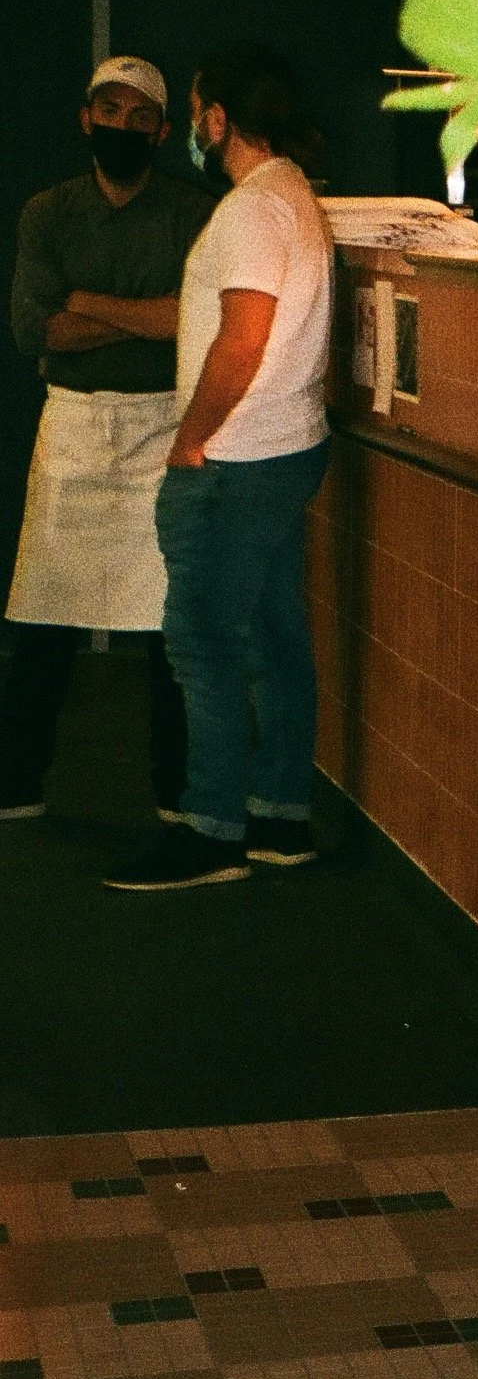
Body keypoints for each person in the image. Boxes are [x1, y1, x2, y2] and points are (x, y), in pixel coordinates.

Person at [104, 44, 335, 894]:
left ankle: (210, 831)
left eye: (199, 110)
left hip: (234, 459)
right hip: (286, 450)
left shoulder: (248, 210)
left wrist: (189, 439)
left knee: (200, 647)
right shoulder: (293, 195)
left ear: (215, 119)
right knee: (276, 643)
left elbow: (242, 338)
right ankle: (279, 818)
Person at [0, 58, 212, 822]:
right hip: (74, 425)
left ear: (162, 130)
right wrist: (141, 311)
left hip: (161, 423)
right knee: (41, 619)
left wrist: (91, 304)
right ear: (85, 118)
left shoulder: (192, 213)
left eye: (139, 116)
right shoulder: (47, 212)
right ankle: (16, 785)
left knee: (166, 628)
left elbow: (192, 321)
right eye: (108, 111)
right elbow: (36, 329)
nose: (122, 127)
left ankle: (176, 792)